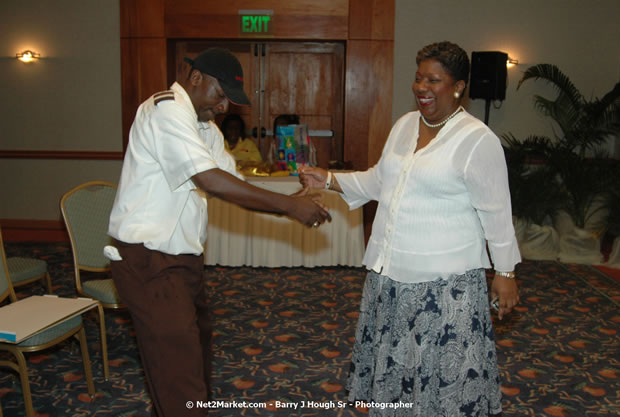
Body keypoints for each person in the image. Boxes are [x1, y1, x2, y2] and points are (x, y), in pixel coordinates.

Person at [299, 41, 520, 416]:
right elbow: (380, 181)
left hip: (444, 285)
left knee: (441, 378)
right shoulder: (404, 125)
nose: (422, 88)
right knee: (399, 375)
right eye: (418, 78)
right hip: (392, 275)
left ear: (458, 86)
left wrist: (505, 272)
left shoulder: (477, 140)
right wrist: (330, 180)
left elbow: (496, 210)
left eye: (434, 80)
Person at [107, 47, 330, 417]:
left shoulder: (204, 126)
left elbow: (233, 180)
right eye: (221, 94)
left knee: (194, 354)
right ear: (196, 78)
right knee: (177, 369)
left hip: (182, 259)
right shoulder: (165, 110)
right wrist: (290, 208)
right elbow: (211, 181)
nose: (225, 107)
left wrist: (291, 199)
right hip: (148, 258)